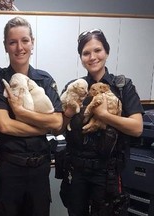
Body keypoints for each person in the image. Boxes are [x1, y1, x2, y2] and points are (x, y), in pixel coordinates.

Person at [0, 16, 65, 216]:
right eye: (13, 42)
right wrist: (44, 127)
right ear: (6, 46)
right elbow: (5, 126)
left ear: (32, 43)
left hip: (39, 170)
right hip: (11, 169)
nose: (19, 47)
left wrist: (20, 113)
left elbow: (59, 124)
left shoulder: (44, 80)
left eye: (25, 40)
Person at [59, 29, 144, 215]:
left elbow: (137, 128)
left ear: (107, 52)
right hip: (76, 170)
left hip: (107, 173)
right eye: (86, 53)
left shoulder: (122, 87)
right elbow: (59, 126)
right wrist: (67, 113)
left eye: (97, 50)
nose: (92, 57)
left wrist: (104, 116)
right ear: (81, 57)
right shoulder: (75, 87)